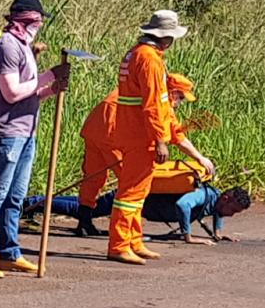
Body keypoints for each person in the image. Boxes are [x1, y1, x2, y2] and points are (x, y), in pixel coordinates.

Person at [0, 0, 69, 278]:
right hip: (6, 132)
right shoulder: (6, 45)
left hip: (27, 131)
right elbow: (11, 92)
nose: (38, 27)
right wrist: (49, 74)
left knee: (15, 197)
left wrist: (52, 89)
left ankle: (10, 253)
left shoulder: (24, 46)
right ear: (24, 20)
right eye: (36, 21)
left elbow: (29, 93)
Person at [74, 71, 210, 238]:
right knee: (132, 184)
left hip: (94, 130)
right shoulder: (160, 100)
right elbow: (177, 137)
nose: (180, 103)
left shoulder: (141, 89)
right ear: (173, 92)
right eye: (181, 98)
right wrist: (200, 158)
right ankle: (125, 233)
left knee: (93, 178)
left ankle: (84, 222)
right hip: (113, 136)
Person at [106, 9, 188, 265]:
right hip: (141, 135)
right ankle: (119, 244)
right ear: (166, 39)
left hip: (134, 132)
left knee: (140, 191)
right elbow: (152, 104)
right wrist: (160, 139)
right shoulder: (149, 59)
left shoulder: (137, 54)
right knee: (130, 192)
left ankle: (133, 240)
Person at [37, 174, 248, 245]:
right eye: (234, 209)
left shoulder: (216, 199)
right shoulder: (204, 194)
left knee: (86, 205)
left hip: (136, 200)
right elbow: (183, 204)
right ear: (226, 197)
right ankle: (33, 203)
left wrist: (218, 233)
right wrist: (188, 236)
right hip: (130, 197)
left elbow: (218, 211)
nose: (232, 214)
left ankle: (36, 202)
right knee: (85, 208)